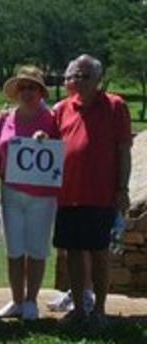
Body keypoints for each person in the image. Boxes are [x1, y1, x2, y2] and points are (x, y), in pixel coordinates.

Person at [51, 54, 132, 322]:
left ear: (98, 79)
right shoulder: (62, 108)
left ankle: (99, 310)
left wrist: (122, 189)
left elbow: (123, 151)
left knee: (99, 253)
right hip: (68, 194)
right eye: (74, 75)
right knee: (73, 252)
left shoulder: (115, 106)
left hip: (101, 194)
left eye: (85, 76)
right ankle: (79, 308)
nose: (79, 81)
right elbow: (53, 145)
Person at [0, 66, 59, 320]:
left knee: (37, 249)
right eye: (23, 87)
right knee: (14, 250)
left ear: (41, 91)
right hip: (11, 192)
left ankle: (31, 300)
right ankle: (17, 300)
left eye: (32, 87)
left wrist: (47, 139)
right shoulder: (5, 117)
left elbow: (60, 154)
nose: (27, 92)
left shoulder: (52, 119)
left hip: (42, 195)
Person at [48, 59, 96, 314]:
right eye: (68, 78)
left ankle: (87, 295)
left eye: (75, 78)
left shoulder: (106, 106)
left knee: (89, 247)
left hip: (91, 190)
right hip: (64, 188)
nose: (72, 82)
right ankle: (75, 293)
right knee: (69, 248)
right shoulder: (60, 109)